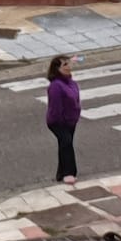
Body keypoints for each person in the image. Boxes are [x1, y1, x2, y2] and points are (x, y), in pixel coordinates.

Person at [45, 54, 81, 184]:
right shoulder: (56, 86)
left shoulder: (72, 83)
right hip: (58, 122)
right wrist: (62, 121)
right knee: (66, 143)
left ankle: (60, 173)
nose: (68, 66)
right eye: (64, 64)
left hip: (71, 121)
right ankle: (69, 173)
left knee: (64, 144)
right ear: (57, 69)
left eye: (68, 63)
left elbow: (76, 101)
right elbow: (55, 107)